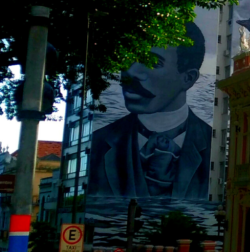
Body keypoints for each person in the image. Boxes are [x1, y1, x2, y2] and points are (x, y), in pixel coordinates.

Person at [88, 22, 211, 199]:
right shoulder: (98, 143)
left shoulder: (216, 148)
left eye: (153, 62)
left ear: (188, 78)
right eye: (127, 59)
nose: (131, 72)